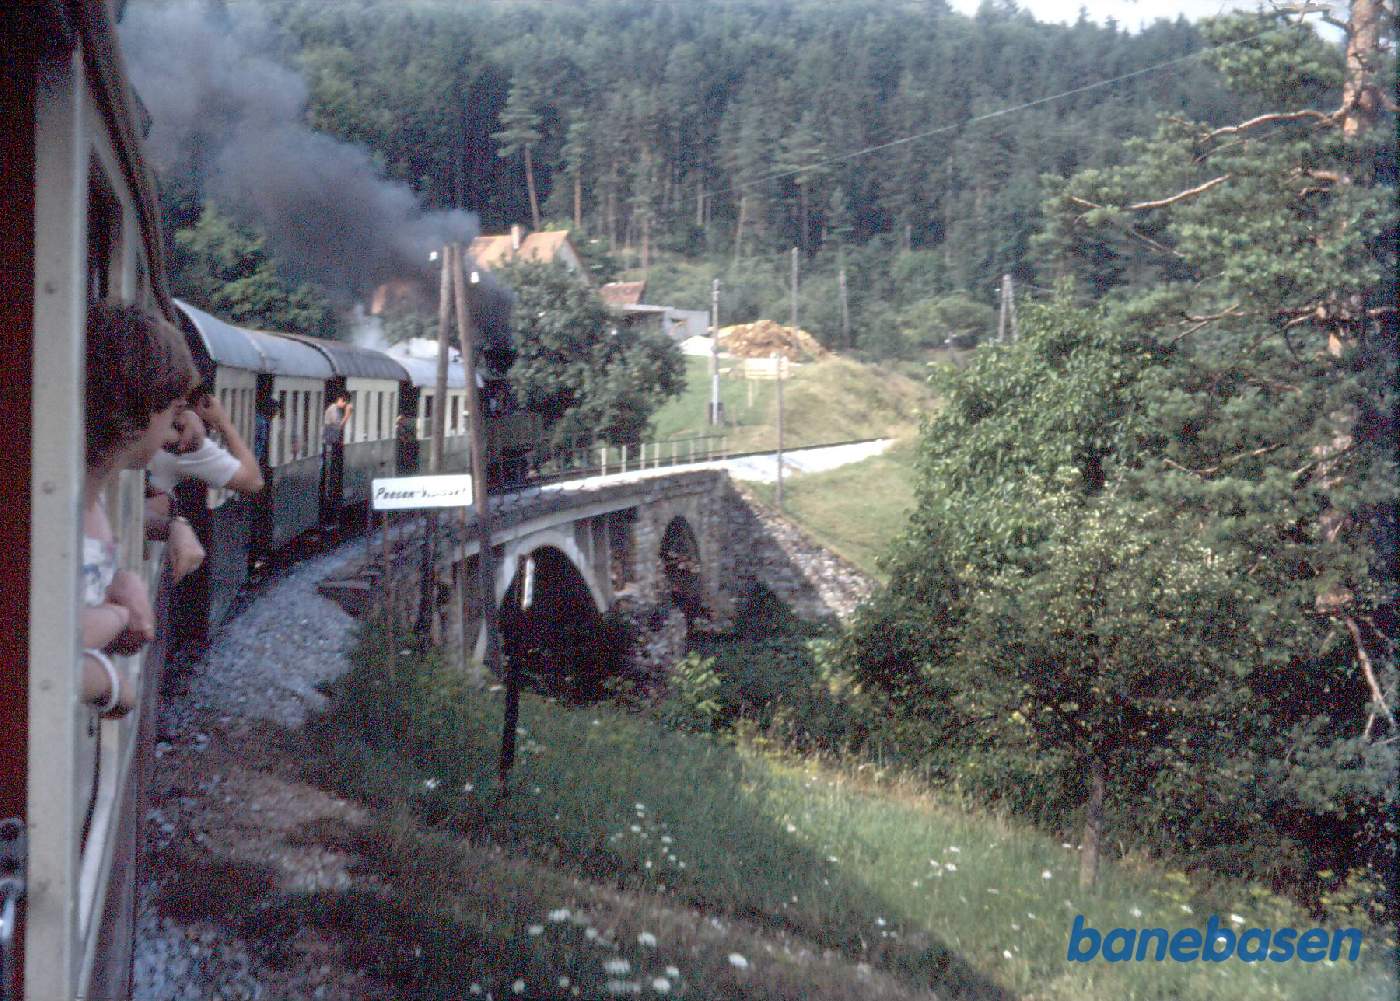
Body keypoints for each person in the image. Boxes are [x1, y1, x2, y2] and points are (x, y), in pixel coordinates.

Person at [82, 301, 198, 716]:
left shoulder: (90, 496)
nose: (172, 429)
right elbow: (46, 634)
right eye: (171, 412)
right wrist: (117, 617)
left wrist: (124, 580)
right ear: (138, 408)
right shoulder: (64, 502)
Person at [320, 391, 352, 520]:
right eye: (345, 402)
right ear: (340, 399)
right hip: (327, 445)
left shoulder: (336, 410)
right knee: (327, 477)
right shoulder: (333, 410)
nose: (345, 405)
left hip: (330, 444)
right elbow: (338, 426)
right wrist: (347, 415)